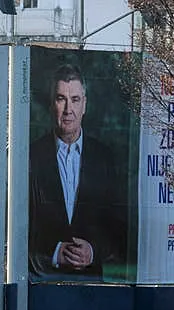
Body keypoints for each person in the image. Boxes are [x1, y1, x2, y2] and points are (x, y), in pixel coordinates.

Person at [28, 63, 122, 280]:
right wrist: (53, 252)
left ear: (84, 105)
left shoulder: (104, 159)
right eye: (61, 99)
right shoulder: (31, 156)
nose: (68, 109)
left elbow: (118, 226)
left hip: (90, 287)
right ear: (52, 104)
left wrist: (93, 251)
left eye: (75, 100)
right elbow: (18, 226)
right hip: (43, 282)